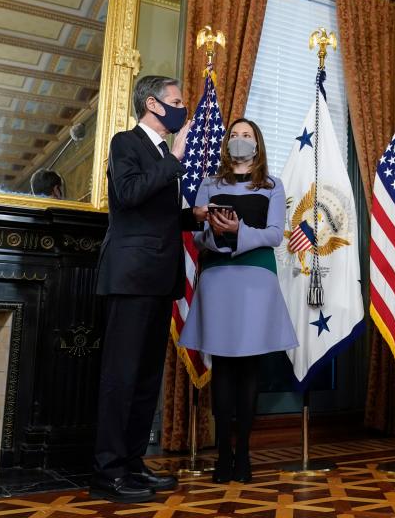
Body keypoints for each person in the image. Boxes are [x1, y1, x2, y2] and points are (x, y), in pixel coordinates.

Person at [91, 75, 206, 503]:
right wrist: (176, 156)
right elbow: (129, 193)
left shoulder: (159, 155)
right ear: (154, 105)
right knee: (120, 378)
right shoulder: (127, 143)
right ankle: (107, 472)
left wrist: (194, 216)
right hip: (131, 276)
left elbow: (157, 216)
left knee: (144, 380)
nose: (183, 109)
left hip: (160, 278)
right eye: (178, 101)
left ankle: (133, 464)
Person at [179, 118, 298, 484]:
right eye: (235, 135)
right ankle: (223, 455)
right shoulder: (209, 184)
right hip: (217, 280)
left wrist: (239, 231)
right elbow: (196, 238)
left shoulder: (272, 186)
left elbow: (277, 235)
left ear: (257, 144)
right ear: (226, 143)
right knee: (223, 369)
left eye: (247, 135)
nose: (240, 140)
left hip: (256, 279)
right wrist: (217, 234)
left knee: (248, 369)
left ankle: (243, 453)